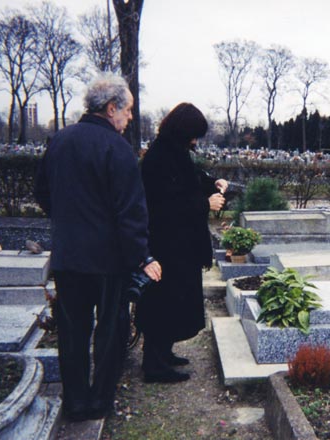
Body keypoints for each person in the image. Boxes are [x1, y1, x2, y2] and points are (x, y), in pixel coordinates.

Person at [34, 73, 162, 421]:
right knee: (110, 330)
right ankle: (101, 400)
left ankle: (76, 402)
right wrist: (142, 256)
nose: (130, 117)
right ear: (110, 108)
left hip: (68, 255)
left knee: (72, 332)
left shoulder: (60, 141)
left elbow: (42, 192)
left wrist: (70, 220)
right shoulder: (117, 149)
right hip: (107, 260)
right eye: (128, 110)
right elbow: (131, 212)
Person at [137, 102, 227, 383]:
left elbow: (190, 181)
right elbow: (165, 205)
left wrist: (214, 183)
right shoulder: (159, 158)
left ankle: (164, 354)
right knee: (162, 304)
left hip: (178, 245)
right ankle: (154, 364)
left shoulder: (172, 151)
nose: (195, 141)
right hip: (166, 245)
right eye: (193, 135)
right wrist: (205, 204)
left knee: (172, 303)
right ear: (183, 131)